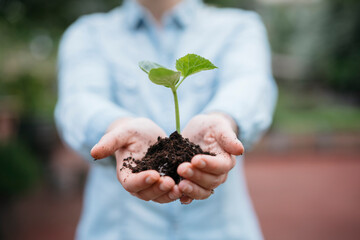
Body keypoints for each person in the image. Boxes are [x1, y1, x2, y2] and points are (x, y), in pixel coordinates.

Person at [55, 0, 277, 239]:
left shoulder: (239, 27)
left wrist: (223, 118)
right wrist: (117, 127)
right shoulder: (89, 33)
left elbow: (250, 86)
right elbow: (79, 101)